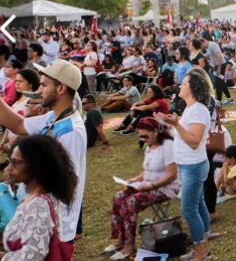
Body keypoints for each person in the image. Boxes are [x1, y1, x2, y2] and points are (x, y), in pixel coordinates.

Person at [0, 59, 86, 242]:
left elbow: (69, 180)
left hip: (53, 228)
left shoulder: (70, 130)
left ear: (61, 88)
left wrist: (26, 175)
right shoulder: (53, 118)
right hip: (41, 220)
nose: (39, 91)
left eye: (44, 85)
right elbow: (19, 124)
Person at [105, 117, 179, 260]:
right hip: (147, 185)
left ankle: (130, 244)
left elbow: (172, 174)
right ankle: (121, 239)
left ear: (155, 131)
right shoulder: (150, 145)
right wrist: (136, 179)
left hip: (165, 188)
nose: (143, 139)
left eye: (146, 136)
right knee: (118, 198)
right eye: (141, 136)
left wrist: (151, 185)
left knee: (130, 203)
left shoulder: (168, 145)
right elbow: (149, 169)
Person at [157, 67, 212, 261]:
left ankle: (200, 254)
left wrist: (177, 124)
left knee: (189, 210)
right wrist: (172, 124)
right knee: (199, 206)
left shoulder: (198, 110)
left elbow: (194, 140)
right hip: (189, 165)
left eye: (185, 83)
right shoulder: (190, 108)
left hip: (193, 167)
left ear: (193, 88)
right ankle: (203, 250)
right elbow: (184, 135)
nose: (180, 85)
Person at [0, 135, 77, 260]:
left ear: (36, 166)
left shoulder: (38, 205)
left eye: (15, 163)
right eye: (9, 161)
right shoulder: (36, 195)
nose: (8, 168)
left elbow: (33, 256)